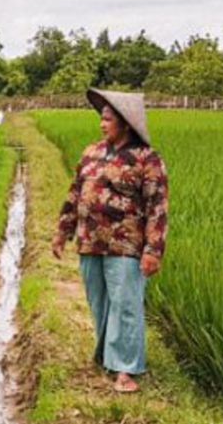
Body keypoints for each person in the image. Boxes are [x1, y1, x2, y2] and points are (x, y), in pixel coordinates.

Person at [52, 88, 168, 394]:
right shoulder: (92, 152)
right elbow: (75, 193)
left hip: (127, 245)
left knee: (126, 305)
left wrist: (153, 250)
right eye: (101, 119)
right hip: (90, 242)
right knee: (99, 302)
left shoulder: (147, 159)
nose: (102, 124)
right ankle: (107, 355)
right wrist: (63, 231)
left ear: (125, 123)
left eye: (108, 119)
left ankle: (126, 369)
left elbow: (157, 207)